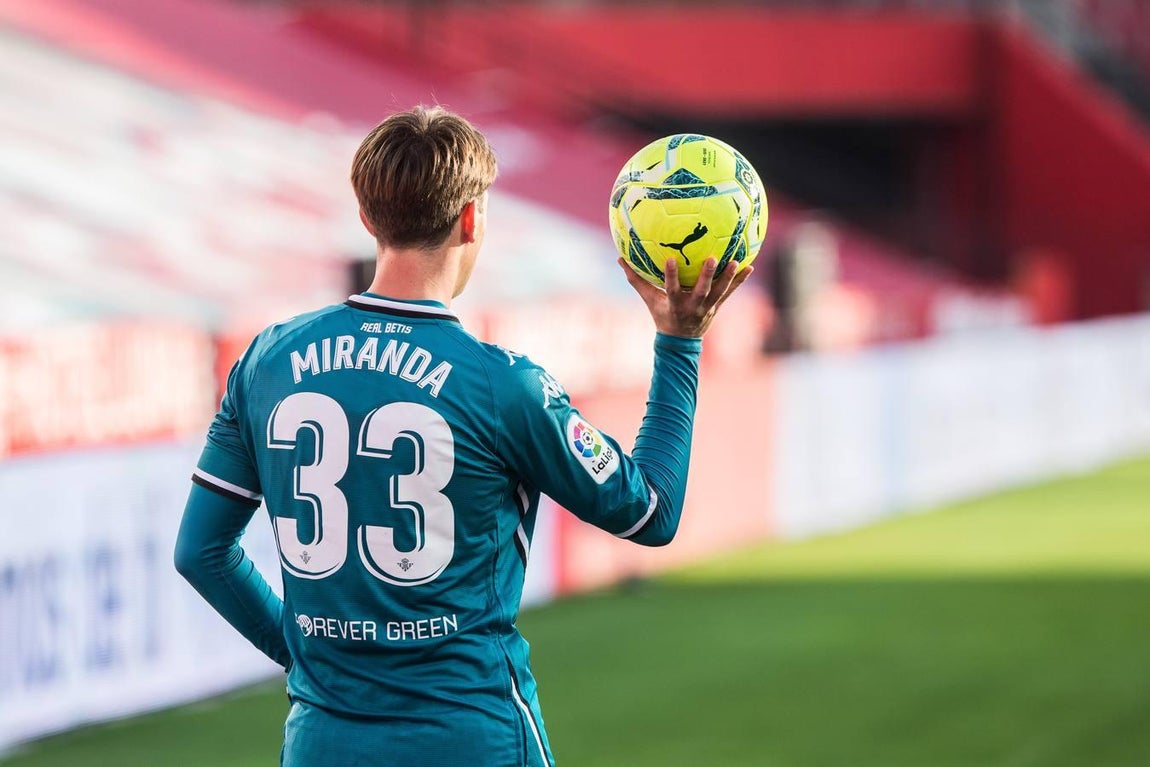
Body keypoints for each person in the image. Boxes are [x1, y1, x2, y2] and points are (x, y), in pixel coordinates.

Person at [174, 105, 753, 767]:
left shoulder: (267, 361)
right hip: (471, 736)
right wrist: (679, 343)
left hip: (323, 741)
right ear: (473, 218)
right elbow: (651, 510)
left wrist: (311, 659)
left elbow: (201, 552)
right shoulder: (504, 386)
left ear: (367, 218)